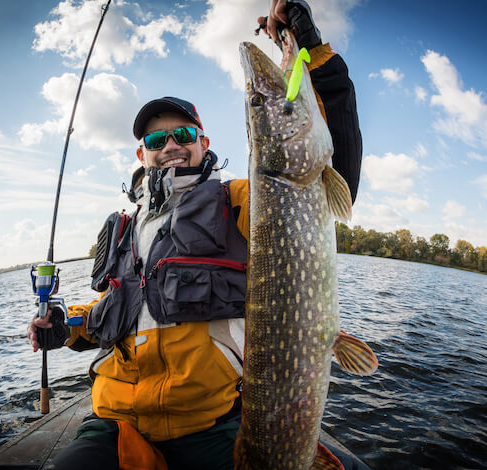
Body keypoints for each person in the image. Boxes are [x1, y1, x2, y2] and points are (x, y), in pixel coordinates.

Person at [27, 1, 364, 469]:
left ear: (203, 143)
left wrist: (309, 47)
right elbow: (115, 308)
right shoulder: (122, 230)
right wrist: (64, 326)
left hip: (209, 424)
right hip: (115, 421)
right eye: (154, 140)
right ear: (141, 155)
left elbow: (332, 161)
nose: (169, 146)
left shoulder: (246, 200)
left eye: (182, 133)